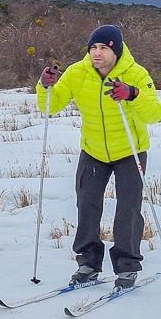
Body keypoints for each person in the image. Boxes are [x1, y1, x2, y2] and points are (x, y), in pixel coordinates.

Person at [36, 24, 161, 288]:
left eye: (104, 48)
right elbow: (51, 106)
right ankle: (88, 264)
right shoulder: (77, 73)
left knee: (128, 208)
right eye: (93, 48)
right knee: (87, 204)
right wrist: (45, 86)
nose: (97, 53)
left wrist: (132, 94)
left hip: (130, 149)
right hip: (93, 150)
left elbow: (154, 113)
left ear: (116, 50)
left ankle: (127, 267)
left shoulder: (136, 73)